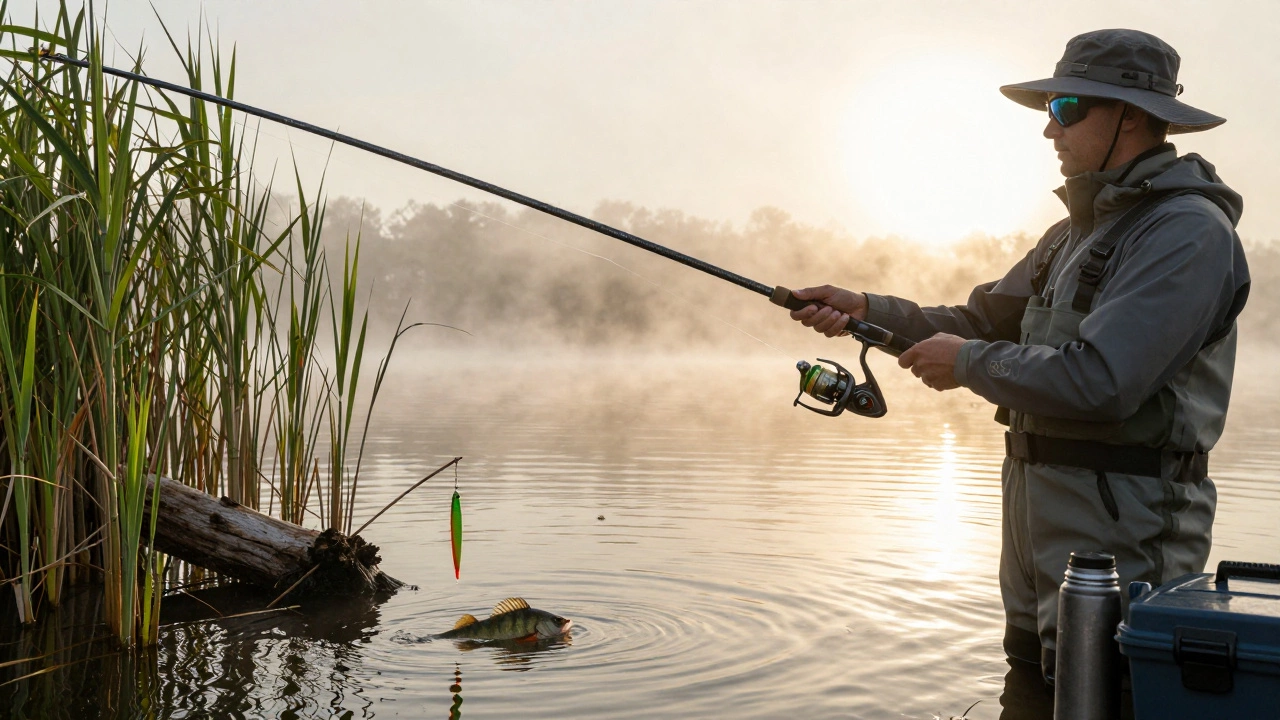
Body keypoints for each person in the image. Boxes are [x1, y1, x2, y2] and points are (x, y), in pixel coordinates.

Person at [789, 29, 1250, 683]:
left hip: (1128, 545)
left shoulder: (1186, 233)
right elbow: (978, 322)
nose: (1048, 130)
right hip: (1034, 543)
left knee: (1108, 695)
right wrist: (866, 308)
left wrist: (971, 364)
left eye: (1066, 109)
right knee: (1030, 688)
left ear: (1134, 117)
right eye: (1050, 109)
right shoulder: (1067, 236)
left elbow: (1103, 380)